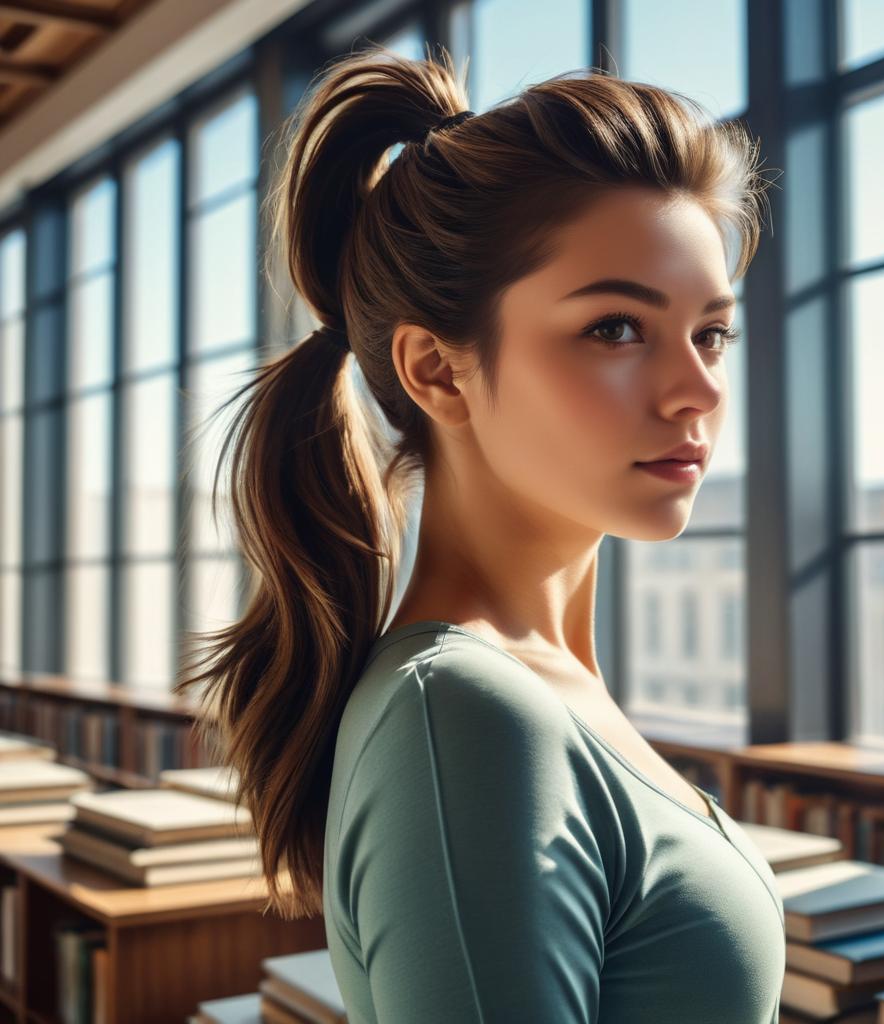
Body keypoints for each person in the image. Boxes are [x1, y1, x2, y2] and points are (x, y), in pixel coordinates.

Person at [174, 42, 782, 1023]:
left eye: (709, 331)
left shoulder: (538, 688)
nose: (699, 390)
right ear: (438, 371)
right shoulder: (461, 715)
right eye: (616, 328)